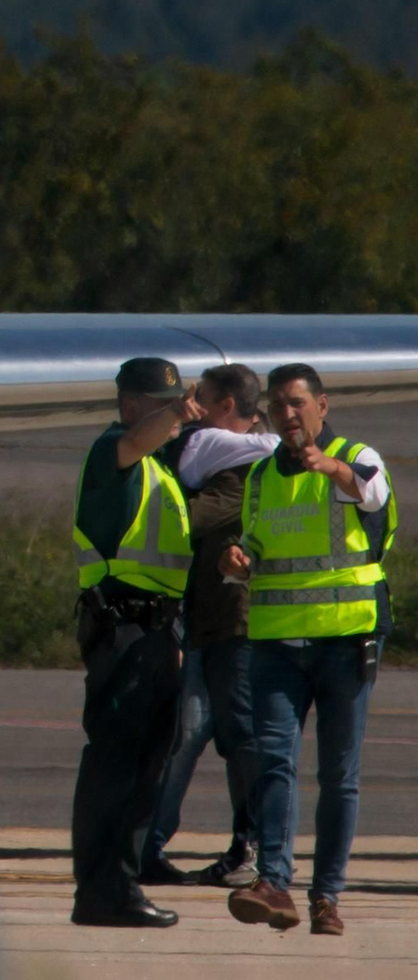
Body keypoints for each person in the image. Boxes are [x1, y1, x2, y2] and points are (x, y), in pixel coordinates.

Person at [219, 363, 396, 937]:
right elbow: (256, 540)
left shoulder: (357, 455)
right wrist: (237, 561)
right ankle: (274, 882)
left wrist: (334, 468)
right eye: (277, 406)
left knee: (338, 774)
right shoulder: (262, 476)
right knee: (274, 762)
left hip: (344, 641)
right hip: (276, 644)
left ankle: (327, 896)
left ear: (324, 405)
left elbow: (373, 495)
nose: (287, 415)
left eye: (297, 403)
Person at [69, 357, 202, 929]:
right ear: (129, 406)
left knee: (146, 766)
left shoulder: (162, 471)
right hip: (120, 627)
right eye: (159, 406)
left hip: (154, 631)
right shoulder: (112, 454)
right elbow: (135, 442)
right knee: (115, 765)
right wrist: (174, 415)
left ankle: (120, 887)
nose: (172, 420)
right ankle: (103, 891)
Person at [139, 364, 276, 889]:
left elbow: (189, 519)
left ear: (222, 408)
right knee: (192, 733)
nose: (189, 407)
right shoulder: (237, 454)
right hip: (206, 624)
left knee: (237, 736)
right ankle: (149, 844)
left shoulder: (237, 468)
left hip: (234, 627)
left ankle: (253, 846)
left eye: (200, 399)